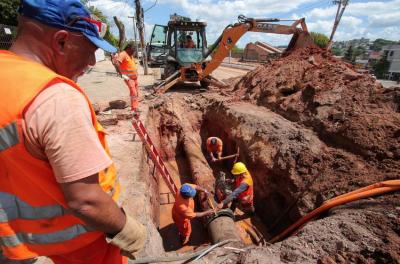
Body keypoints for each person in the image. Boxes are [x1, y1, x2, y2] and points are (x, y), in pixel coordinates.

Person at [0, 1, 146, 263]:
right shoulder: (57, 97)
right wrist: (125, 228)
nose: (91, 62)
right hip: (81, 242)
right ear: (62, 41)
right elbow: (86, 202)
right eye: (90, 50)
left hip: (14, 240)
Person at [113, 43, 140, 115]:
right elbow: (116, 63)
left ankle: (135, 106)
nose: (134, 52)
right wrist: (121, 74)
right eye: (133, 50)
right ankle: (134, 108)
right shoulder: (123, 54)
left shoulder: (130, 55)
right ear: (128, 48)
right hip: (129, 78)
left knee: (136, 93)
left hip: (135, 78)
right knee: (133, 92)